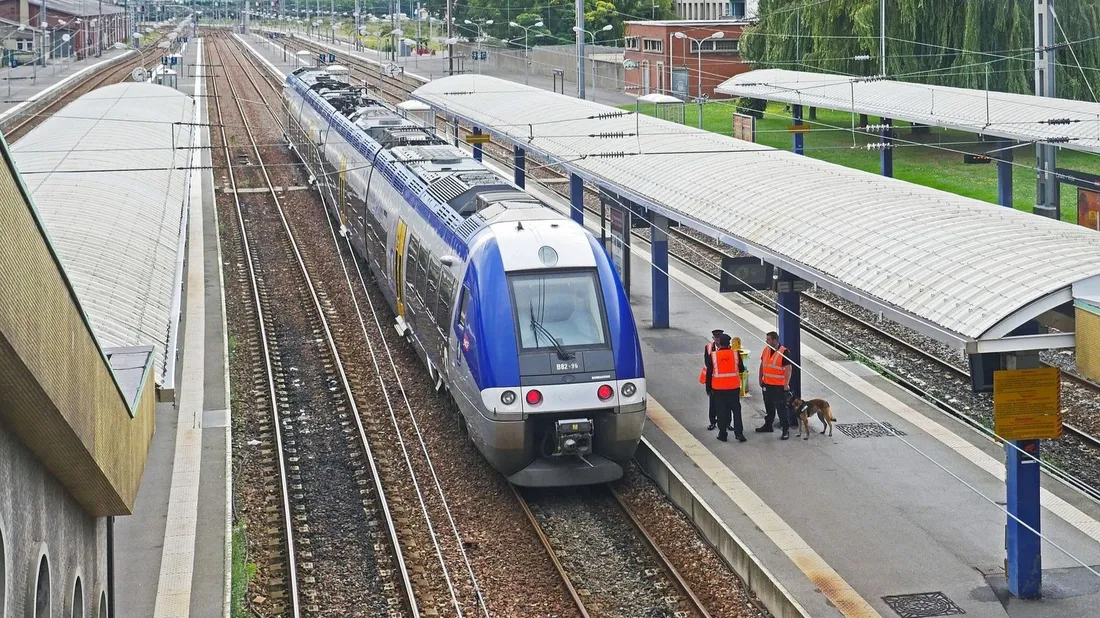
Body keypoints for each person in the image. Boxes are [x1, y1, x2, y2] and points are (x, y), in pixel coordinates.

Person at [704, 334, 746, 442]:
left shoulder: (713, 356)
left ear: (719, 343)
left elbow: (709, 373)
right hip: (733, 388)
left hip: (718, 389)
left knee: (721, 412)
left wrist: (708, 388)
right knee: (736, 411)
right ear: (729, 344)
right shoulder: (735, 354)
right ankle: (739, 433)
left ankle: (723, 434)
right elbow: (742, 369)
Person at [756, 331, 793, 440]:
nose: (766, 341)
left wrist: (786, 384)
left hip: (779, 387)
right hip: (767, 384)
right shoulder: (766, 350)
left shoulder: (784, 352)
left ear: (774, 340)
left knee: (781, 409)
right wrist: (760, 378)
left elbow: (788, 369)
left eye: (768, 339)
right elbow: (762, 365)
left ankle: (785, 429)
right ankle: (768, 425)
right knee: (769, 406)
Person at [703, 329, 724, 430]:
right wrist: (708, 386)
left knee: (726, 403)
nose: (718, 340)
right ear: (713, 338)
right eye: (716, 338)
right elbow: (707, 365)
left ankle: (727, 422)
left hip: (724, 381)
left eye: (719, 338)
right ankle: (713, 421)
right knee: (713, 403)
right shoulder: (708, 348)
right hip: (713, 380)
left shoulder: (727, 348)